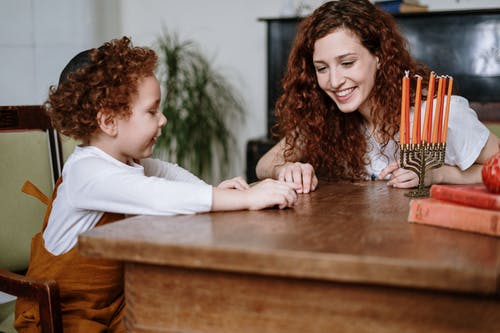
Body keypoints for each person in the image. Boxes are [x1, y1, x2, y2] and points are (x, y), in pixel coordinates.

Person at [14, 36, 299, 332]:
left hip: (113, 308)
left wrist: (217, 191)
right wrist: (247, 199)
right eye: (152, 111)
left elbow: (168, 174)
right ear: (108, 122)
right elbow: (158, 195)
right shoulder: (87, 174)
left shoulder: (127, 163)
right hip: (61, 318)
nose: (162, 120)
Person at [256, 0, 499, 193]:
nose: (334, 81)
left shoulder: (441, 112)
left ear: (379, 58)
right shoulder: (325, 118)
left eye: (347, 63)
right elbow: (264, 165)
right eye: (322, 68)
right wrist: (286, 169)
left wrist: (438, 174)